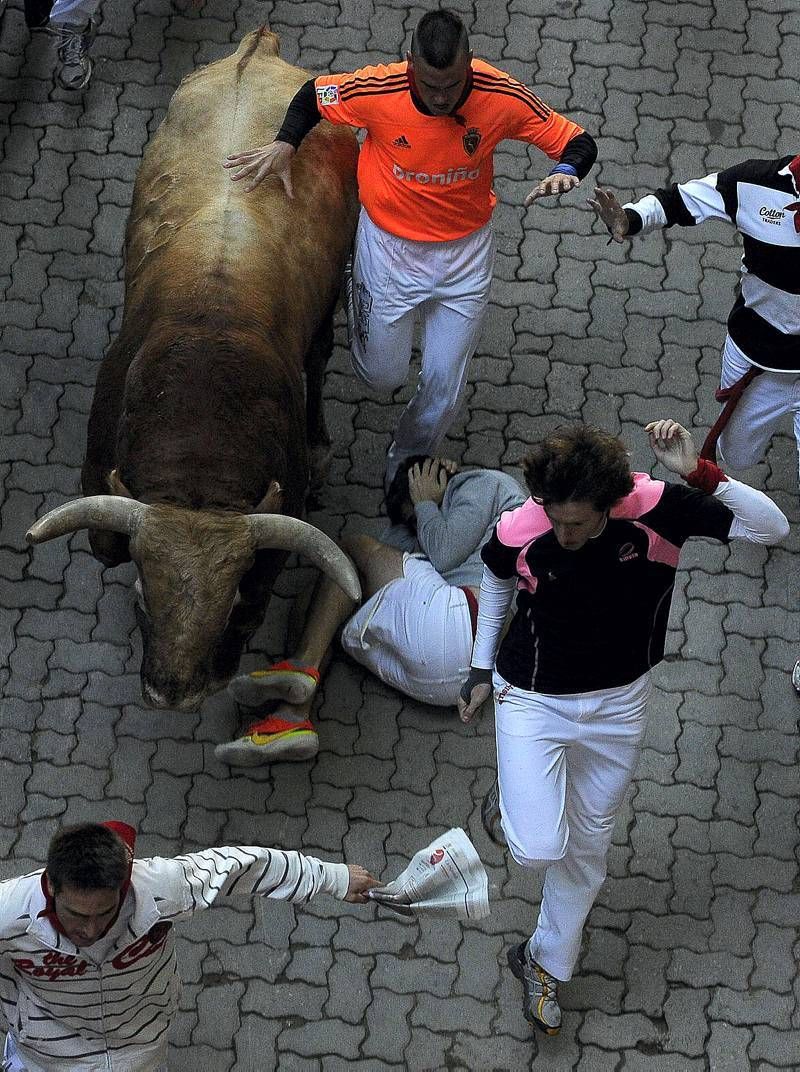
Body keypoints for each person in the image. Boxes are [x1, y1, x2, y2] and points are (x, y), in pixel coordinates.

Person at [457, 419, 789, 1036]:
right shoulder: (523, 527)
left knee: (587, 850)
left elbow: (772, 529)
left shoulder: (658, 509)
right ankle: (513, 804)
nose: (563, 532)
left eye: (577, 523)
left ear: (610, 504)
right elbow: (497, 578)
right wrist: (479, 666)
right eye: (554, 518)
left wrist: (699, 472)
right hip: (533, 698)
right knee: (537, 848)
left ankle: (545, 964)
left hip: (619, 707)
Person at [224, 9, 597, 483]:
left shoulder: (500, 93)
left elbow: (577, 141)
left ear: (469, 65)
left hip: (466, 257)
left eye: (454, 85)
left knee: (444, 384)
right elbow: (312, 95)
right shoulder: (377, 90)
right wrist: (285, 144)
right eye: (429, 86)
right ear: (408, 65)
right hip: (389, 250)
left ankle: (407, 461)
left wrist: (566, 173)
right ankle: (355, 288)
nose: (441, 98)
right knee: (381, 375)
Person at [588, 157, 800, 693]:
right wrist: (630, 221)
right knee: (739, 456)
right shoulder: (754, 184)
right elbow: (686, 200)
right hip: (758, 362)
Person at [216, 458, 526, 766]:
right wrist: (418, 514)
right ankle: (291, 717)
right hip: (452, 685)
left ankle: (301, 671)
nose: (421, 525)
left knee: (348, 550)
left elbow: (443, 553)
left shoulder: (483, 485)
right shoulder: (436, 533)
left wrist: (424, 503)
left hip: (461, 624)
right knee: (326, 604)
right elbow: (395, 556)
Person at [0, 821, 378, 1071]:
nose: (91, 928)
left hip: (142, 1050)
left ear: (124, 885)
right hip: (46, 1060)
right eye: (76, 915)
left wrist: (332, 878)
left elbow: (244, 866)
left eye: (106, 911)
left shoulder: (164, 888)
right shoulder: (9, 911)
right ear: (51, 887)